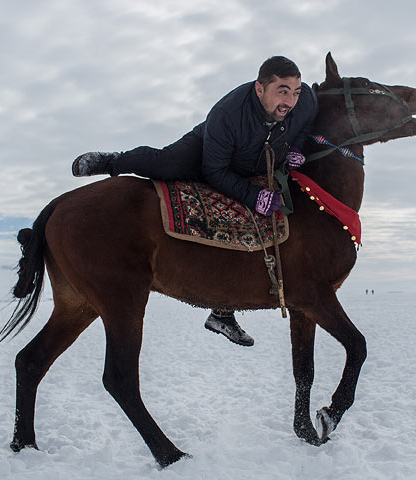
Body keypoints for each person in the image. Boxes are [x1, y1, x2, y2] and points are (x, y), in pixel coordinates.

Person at [72, 56, 318, 347]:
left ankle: (222, 314)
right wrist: (253, 196)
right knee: (165, 165)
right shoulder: (226, 114)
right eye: (282, 90)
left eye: (296, 91)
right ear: (259, 89)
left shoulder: (306, 102)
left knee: (243, 231)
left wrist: (297, 149)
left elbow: (304, 124)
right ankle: (114, 161)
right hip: (209, 153)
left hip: (256, 161)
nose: (290, 100)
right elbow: (214, 171)